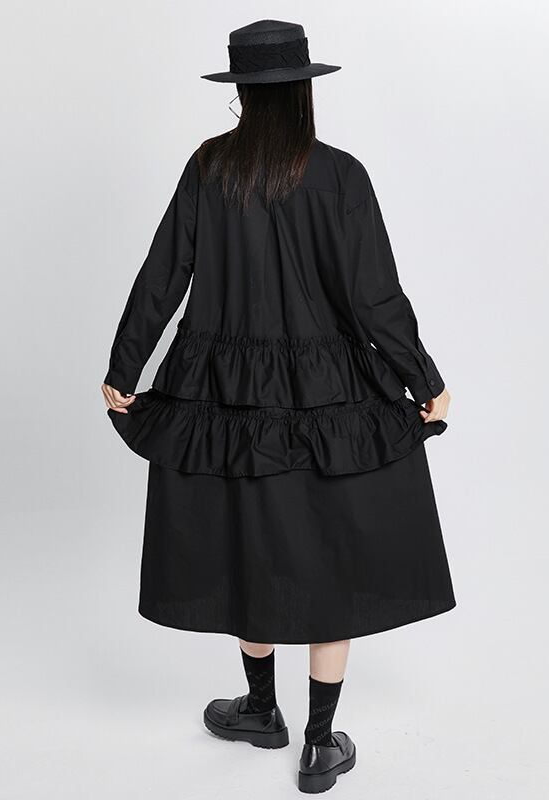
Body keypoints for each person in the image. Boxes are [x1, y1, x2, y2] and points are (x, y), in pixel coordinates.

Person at [101, 19, 455, 794]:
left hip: (224, 391)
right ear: (302, 91)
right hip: (329, 394)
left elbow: (164, 273)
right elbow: (374, 297)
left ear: (241, 94)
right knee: (331, 553)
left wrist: (125, 368)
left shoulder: (209, 168)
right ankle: (320, 745)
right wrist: (423, 380)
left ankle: (262, 711)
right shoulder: (341, 175)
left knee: (246, 542)